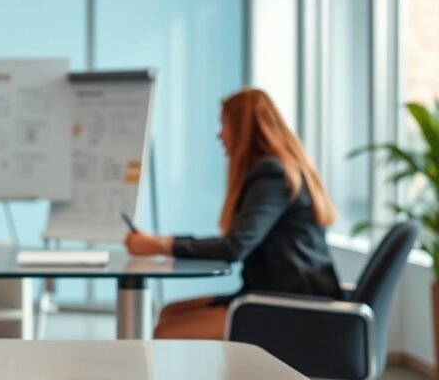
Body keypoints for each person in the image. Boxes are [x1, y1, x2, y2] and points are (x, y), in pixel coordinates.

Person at [124, 88, 340, 339]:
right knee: (168, 313)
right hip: (274, 295)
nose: (220, 135)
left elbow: (234, 247)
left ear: (243, 129)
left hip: (293, 307)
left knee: (166, 332)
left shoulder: (272, 174)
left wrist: (160, 245)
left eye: (224, 125)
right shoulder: (277, 169)